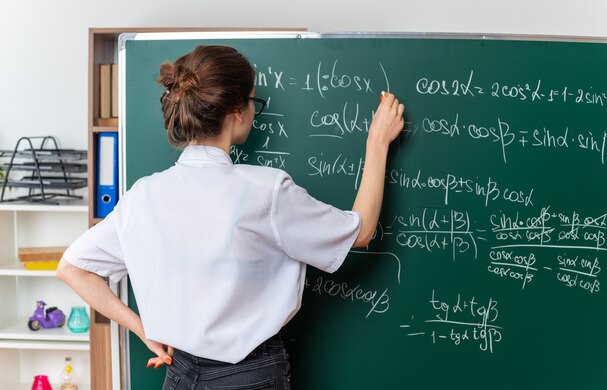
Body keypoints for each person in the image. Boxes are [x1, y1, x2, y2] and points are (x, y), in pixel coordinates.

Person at [56, 45, 404, 389]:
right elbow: (360, 232)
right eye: (254, 103)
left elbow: (72, 268)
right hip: (249, 376)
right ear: (237, 110)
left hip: (179, 374)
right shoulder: (266, 191)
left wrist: (142, 328)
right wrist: (377, 143)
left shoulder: (142, 194)